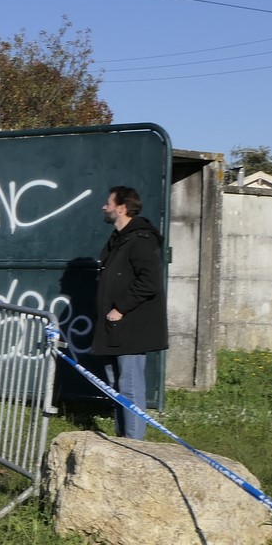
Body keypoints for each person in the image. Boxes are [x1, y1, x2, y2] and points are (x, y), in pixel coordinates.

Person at [95, 184, 167, 440]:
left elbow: (149, 282)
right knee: (115, 384)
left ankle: (135, 445)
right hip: (114, 326)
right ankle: (122, 438)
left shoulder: (141, 239)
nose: (104, 207)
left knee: (130, 384)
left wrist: (120, 308)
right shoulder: (119, 239)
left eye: (109, 203)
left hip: (131, 325)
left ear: (122, 208)